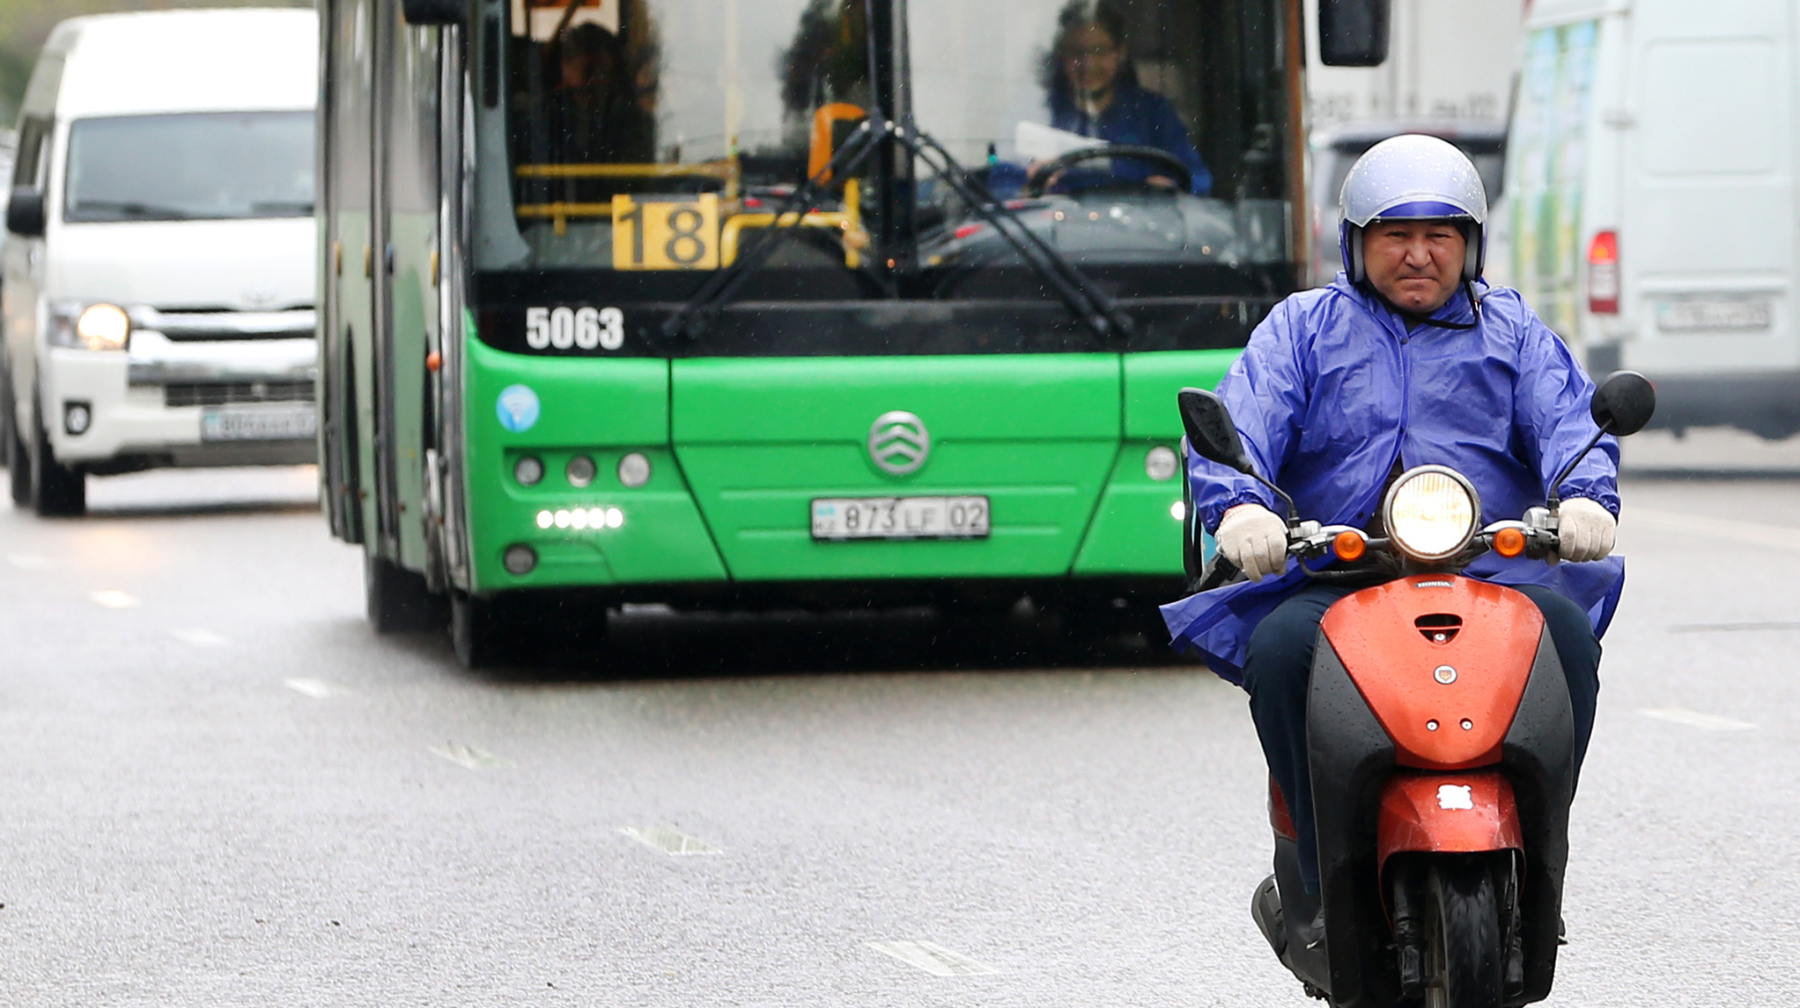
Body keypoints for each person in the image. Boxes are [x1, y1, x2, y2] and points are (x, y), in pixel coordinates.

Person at [1158, 135, 1620, 930]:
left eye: (1438, 234)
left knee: (1569, 638)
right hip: (1334, 575)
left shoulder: (1511, 331)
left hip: (1490, 575)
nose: (1417, 254)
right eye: (1394, 235)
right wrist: (1242, 509)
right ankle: (1312, 874)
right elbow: (1247, 420)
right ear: (1356, 242)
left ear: (1469, 244)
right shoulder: (1303, 329)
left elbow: (1568, 420)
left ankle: (1541, 862)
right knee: (1278, 651)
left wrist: (1585, 496)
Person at [1029, 0, 1213, 195]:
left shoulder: (1153, 112)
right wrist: (1030, 183)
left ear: (1120, 53)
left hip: (1139, 220)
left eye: (1099, 51)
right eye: (1077, 52)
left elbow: (1198, 178)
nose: (1088, 64)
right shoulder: (1038, 110)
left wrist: (1170, 188)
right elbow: (1003, 181)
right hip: (1057, 222)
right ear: (1062, 56)